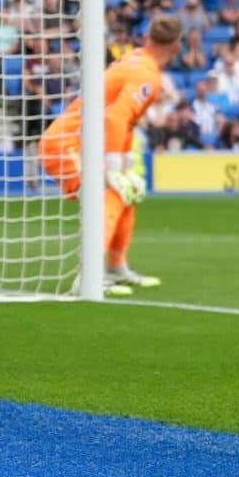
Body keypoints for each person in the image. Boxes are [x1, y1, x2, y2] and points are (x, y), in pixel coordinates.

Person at [37, 17, 181, 296]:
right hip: (68, 144)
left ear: (147, 37)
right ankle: (88, 277)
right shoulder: (147, 75)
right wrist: (114, 168)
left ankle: (117, 268)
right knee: (111, 195)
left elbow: (121, 121)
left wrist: (124, 167)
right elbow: (116, 118)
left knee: (126, 193)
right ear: (177, 46)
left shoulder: (135, 59)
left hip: (83, 144)